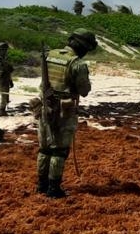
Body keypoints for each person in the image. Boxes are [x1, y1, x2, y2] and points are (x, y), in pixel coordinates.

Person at [37, 29, 97, 198]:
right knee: (59, 151)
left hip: (44, 107)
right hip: (64, 111)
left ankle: (41, 185)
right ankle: (53, 188)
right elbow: (84, 90)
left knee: (44, 149)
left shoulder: (49, 55)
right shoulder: (77, 64)